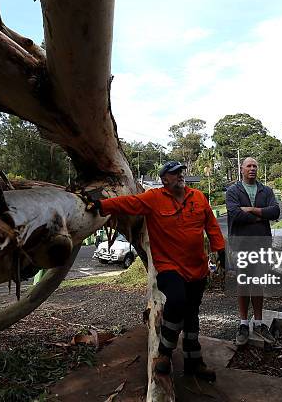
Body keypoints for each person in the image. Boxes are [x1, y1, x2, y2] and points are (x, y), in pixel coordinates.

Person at [88, 161, 225, 381]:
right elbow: (127, 202)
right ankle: (164, 353)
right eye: (174, 173)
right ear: (164, 180)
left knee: (191, 316)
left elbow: (211, 225)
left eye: (181, 172)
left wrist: (220, 249)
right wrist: (101, 205)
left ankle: (194, 363)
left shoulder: (198, 197)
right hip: (169, 267)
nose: (180, 175)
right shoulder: (153, 199)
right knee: (177, 301)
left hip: (197, 268)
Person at [226, 157, 280, 346]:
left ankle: (258, 322)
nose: (252, 168)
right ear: (241, 169)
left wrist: (250, 209)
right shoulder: (233, 191)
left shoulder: (266, 190)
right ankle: (242, 323)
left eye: (255, 165)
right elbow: (235, 214)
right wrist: (260, 215)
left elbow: (275, 212)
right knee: (243, 283)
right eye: (248, 165)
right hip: (240, 244)